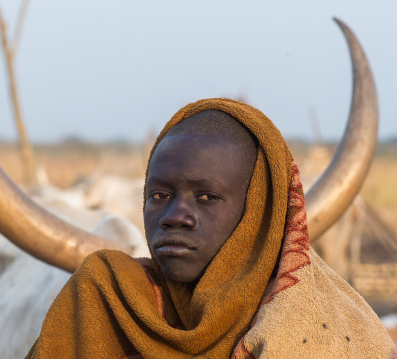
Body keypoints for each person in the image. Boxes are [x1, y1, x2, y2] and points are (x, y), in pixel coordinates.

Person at [26, 98, 396, 358]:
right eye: (159, 195)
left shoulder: (318, 334)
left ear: (258, 212)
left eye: (206, 198)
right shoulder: (104, 295)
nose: (175, 216)